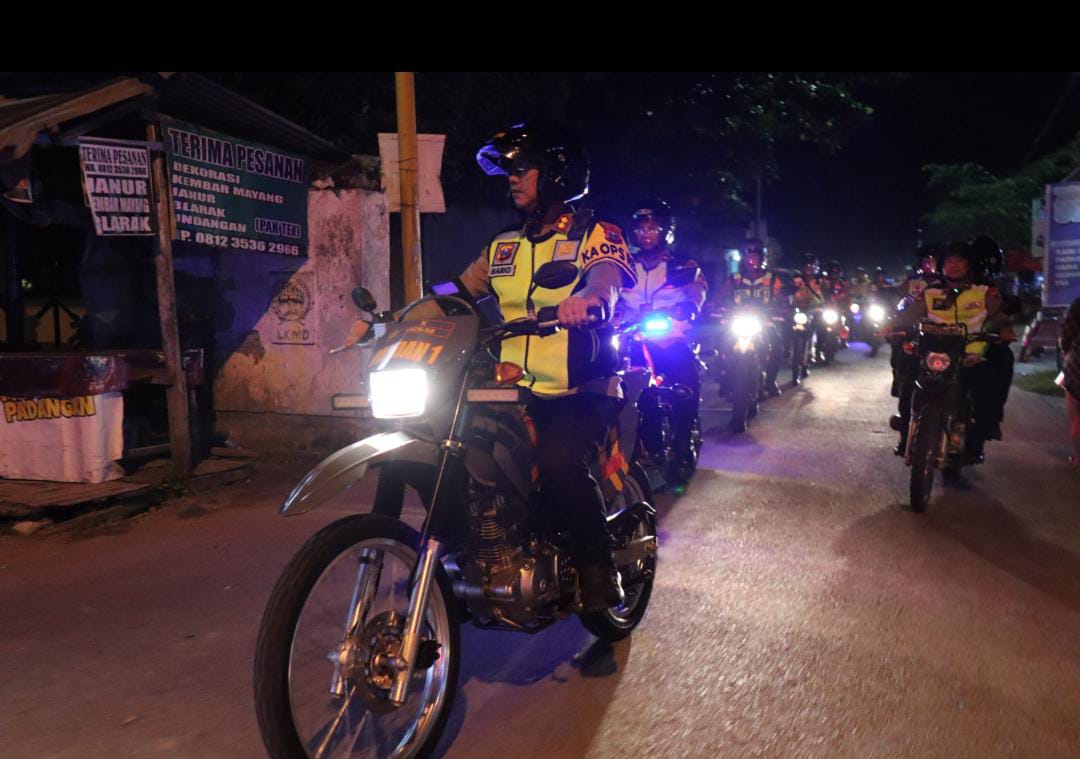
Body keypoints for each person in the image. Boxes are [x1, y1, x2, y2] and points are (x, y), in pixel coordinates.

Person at [350, 121, 636, 612]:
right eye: (510, 170)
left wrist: (587, 298)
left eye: (523, 168)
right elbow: (454, 293)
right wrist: (395, 319)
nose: (513, 177)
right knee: (451, 453)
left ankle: (597, 564)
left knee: (559, 462)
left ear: (557, 174)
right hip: (508, 390)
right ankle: (467, 555)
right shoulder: (503, 246)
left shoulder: (595, 233)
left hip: (578, 390)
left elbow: (606, 280)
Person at [886, 241, 1015, 461]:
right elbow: (908, 316)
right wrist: (892, 326)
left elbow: (999, 316)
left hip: (970, 357)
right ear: (943, 265)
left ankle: (979, 438)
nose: (954, 265)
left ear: (968, 265)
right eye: (949, 261)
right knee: (908, 381)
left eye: (960, 260)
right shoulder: (929, 293)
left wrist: (1005, 329)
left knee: (991, 384)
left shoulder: (983, 292)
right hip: (932, 355)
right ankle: (905, 433)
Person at [617, 197, 708, 461]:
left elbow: (697, 290)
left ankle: (682, 442)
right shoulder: (624, 265)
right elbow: (609, 293)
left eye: (652, 228)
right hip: (632, 341)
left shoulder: (682, 264)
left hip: (670, 339)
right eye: (640, 229)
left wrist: (689, 306)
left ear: (666, 230)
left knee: (686, 380)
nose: (645, 234)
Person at [718, 239, 786, 396]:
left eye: (754, 257)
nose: (751, 261)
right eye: (748, 257)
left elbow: (781, 297)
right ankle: (725, 379)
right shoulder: (734, 279)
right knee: (721, 343)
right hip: (737, 321)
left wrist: (784, 308)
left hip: (764, 321)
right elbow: (720, 297)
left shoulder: (772, 279)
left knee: (777, 347)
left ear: (762, 258)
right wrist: (714, 307)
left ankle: (770, 382)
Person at [1059, 297, 1080, 467]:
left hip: (1077, 369)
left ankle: (1078, 457)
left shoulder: (1078, 305)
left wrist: (1066, 351)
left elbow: (1066, 334)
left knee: (1075, 416)